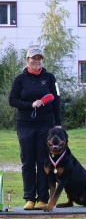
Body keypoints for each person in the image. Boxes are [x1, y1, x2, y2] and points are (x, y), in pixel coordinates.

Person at [9, 47, 62, 210]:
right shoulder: (19, 79)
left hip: (45, 126)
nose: (36, 61)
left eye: (39, 58)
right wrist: (30, 104)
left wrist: (57, 123)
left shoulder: (49, 78)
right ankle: (30, 198)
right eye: (33, 58)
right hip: (25, 125)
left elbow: (56, 100)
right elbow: (12, 100)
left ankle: (42, 198)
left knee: (43, 161)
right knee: (27, 162)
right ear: (27, 60)